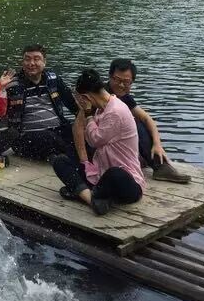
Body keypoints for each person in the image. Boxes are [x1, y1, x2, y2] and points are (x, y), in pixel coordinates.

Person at [52, 69, 145, 215]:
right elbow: (80, 131)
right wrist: (85, 112)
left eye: (80, 99)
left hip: (127, 184)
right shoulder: (101, 108)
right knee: (60, 161)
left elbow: (95, 140)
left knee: (115, 173)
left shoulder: (115, 111)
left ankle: (84, 192)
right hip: (100, 176)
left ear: (86, 97)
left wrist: (88, 114)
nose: (79, 102)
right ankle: (92, 199)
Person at [107, 58, 191, 183]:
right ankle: (156, 165)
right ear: (110, 77)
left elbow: (147, 119)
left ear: (132, 82)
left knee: (140, 121)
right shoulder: (101, 94)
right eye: (117, 80)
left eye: (126, 82)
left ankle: (159, 166)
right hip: (100, 143)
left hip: (116, 144)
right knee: (133, 123)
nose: (121, 85)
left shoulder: (125, 98)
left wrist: (157, 144)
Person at [5, 44, 79, 160]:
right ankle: (68, 154)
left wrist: (84, 121)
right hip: (26, 137)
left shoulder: (53, 79)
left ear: (44, 62)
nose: (31, 63)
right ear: (22, 63)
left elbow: (71, 104)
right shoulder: (12, 84)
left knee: (77, 131)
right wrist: (1, 90)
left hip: (56, 130)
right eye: (27, 59)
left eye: (36, 59)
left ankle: (69, 154)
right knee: (47, 137)